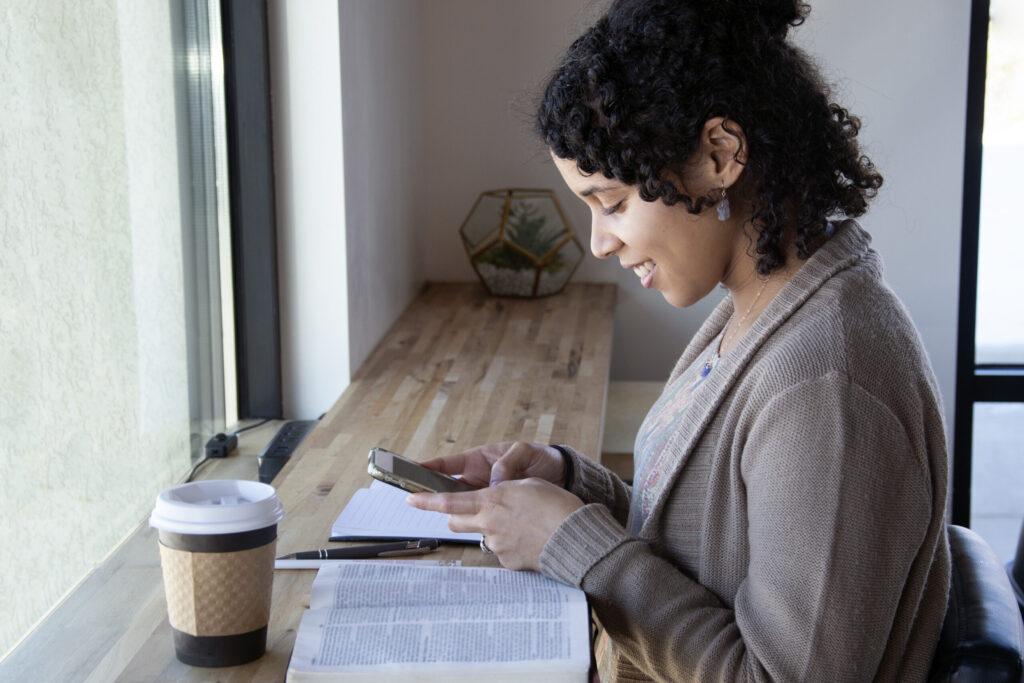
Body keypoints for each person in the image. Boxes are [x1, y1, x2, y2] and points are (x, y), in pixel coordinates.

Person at [407, 0, 951, 680]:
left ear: (719, 155)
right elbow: (718, 547)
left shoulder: (826, 385)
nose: (599, 242)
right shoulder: (765, 306)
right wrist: (575, 485)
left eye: (611, 203)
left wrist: (572, 543)